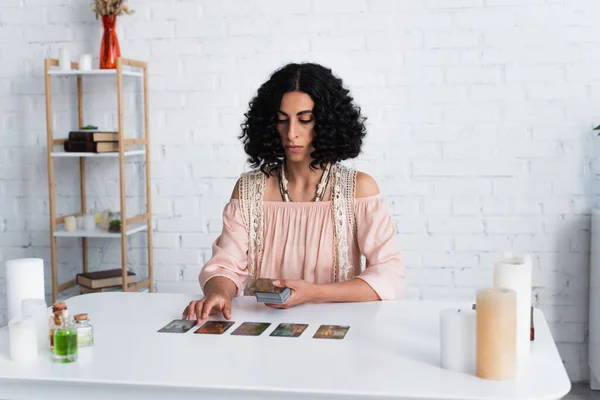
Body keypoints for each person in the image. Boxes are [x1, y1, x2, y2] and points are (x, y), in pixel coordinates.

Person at [182, 62, 405, 322]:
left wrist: (313, 293)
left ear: (327, 122)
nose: (292, 133)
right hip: (262, 332)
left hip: (338, 331)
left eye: (305, 120)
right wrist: (218, 292)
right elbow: (225, 265)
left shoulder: (357, 190)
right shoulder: (249, 189)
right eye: (281, 120)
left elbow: (390, 274)